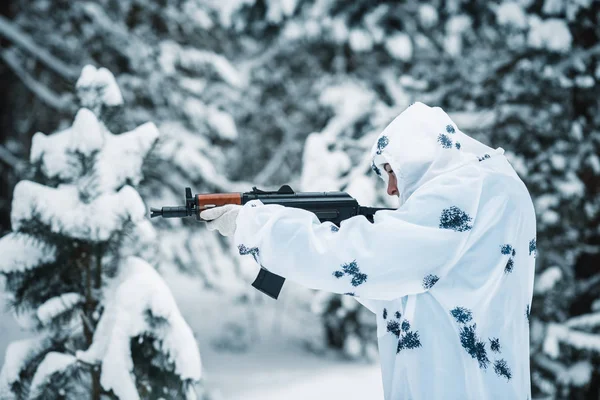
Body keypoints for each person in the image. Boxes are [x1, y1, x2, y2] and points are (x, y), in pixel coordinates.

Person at [200, 102, 536, 399]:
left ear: (419, 155)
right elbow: (405, 290)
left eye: (393, 171)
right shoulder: (491, 186)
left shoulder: (463, 191)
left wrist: (260, 227)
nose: (390, 189)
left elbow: (362, 259)